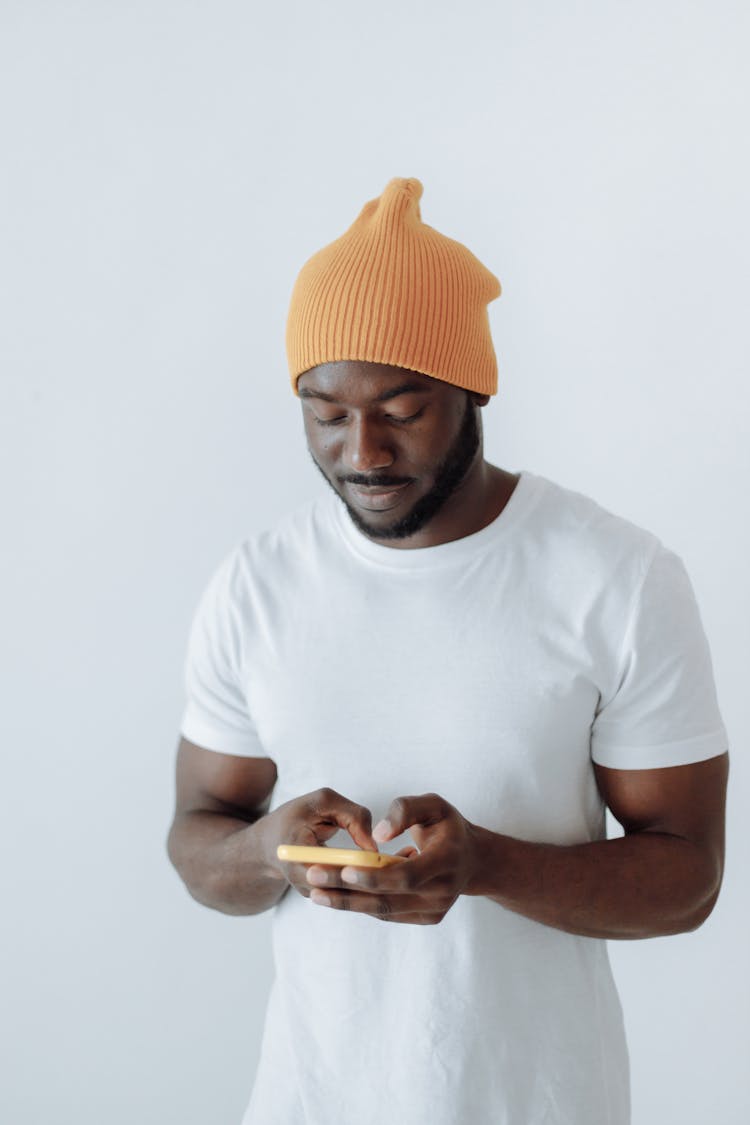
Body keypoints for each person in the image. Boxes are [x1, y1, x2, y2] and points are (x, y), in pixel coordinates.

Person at [167, 177, 729, 1125]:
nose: (364, 452)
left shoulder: (617, 576)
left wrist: (487, 865)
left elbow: (687, 881)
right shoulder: (256, 585)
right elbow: (198, 834)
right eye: (326, 412)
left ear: (473, 387)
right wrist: (270, 850)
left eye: (403, 406)